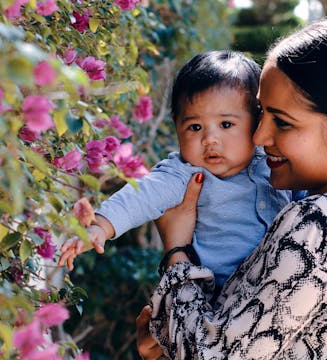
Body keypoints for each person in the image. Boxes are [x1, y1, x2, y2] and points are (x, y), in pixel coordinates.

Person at [137, 19, 327, 359]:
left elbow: (212, 354)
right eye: (261, 114)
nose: (259, 137)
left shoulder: (322, 225)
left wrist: (177, 250)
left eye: (282, 121)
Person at [58, 50, 304, 290]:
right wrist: (100, 226)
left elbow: (309, 196)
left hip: (277, 287)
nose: (210, 139)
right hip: (213, 293)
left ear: (257, 123)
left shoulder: (274, 163)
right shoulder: (183, 174)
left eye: (226, 124)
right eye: (195, 127)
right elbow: (141, 196)